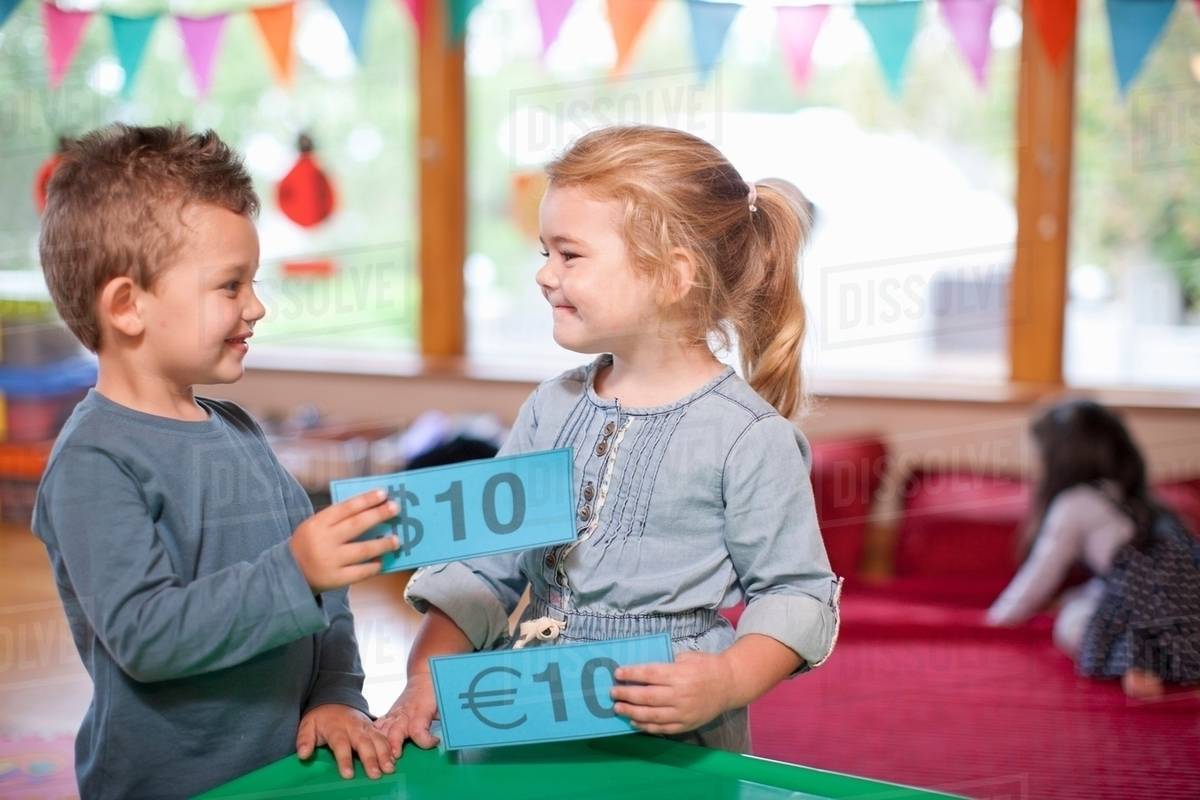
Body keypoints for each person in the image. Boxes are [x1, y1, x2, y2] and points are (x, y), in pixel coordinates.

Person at [376, 125, 842, 756]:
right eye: (545, 251)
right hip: (520, 721)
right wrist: (422, 678)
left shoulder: (750, 437)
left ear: (673, 275)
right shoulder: (549, 407)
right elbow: (483, 563)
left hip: (667, 743)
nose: (543, 274)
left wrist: (727, 679)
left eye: (569, 255)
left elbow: (795, 593)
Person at [32, 124, 402, 798]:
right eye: (230, 286)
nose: (256, 306)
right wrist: (296, 569)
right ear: (127, 306)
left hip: (288, 770)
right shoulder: (93, 463)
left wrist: (335, 693)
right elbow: (146, 638)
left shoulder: (237, 429)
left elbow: (327, 590)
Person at [986, 399, 1200, 698]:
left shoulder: (1074, 504)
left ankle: (1141, 662)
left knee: (1072, 621)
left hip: (1143, 599)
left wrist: (998, 618)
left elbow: (1041, 574)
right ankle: (1175, 662)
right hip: (1188, 590)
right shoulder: (1140, 498)